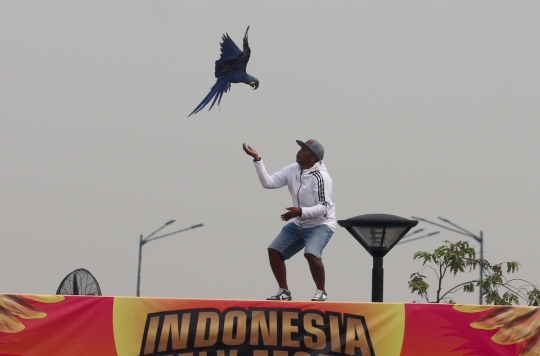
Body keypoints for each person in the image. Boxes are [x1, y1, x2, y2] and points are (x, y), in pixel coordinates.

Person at [242, 139, 336, 301]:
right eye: (300, 148)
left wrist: (300, 211)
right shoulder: (293, 169)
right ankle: (284, 292)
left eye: (304, 150)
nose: (299, 152)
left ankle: (321, 292)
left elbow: (324, 207)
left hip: (320, 224)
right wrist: (257, 159)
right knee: (274, 250)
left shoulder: (321, 177)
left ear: (314, 157)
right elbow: (268, 183)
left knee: (311, 254)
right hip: (299, 223)